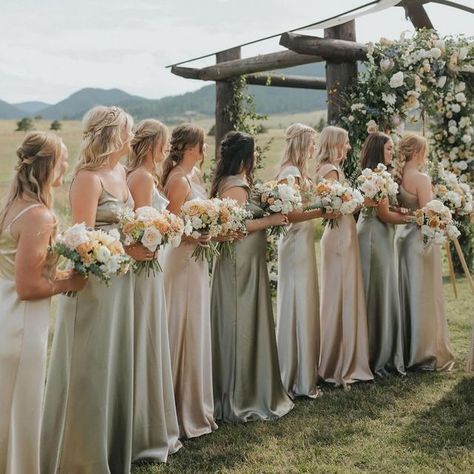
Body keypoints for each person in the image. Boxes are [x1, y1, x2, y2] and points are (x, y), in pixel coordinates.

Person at [41, 106, 150, 473]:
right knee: (91, 367)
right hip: (95, 286)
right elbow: (82, 242)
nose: (131, 137)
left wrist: (146, 236)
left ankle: (112, 447)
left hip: (122, 282)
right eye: (127, 131)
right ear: (111, 135)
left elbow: (126, 222)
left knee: (115, 360)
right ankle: (82, 457)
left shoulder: (121, 171)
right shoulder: (88, 179)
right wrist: (127, 249)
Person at [0, 132, 85, 474]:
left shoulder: (10, 205)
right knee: (21, 409)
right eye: (64, 157)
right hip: (21, 323)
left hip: (6, 315)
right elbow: (28, 286)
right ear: (48, 164)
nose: (67, 163)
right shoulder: (39, 216)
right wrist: (71, 281)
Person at [210, 130, 294, 422]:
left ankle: (253, 386)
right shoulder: (234, 186)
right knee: (240, 320)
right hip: (239, 264)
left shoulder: (239, 182)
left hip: (250, 262)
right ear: (246, 156)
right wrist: (271, 219)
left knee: (250, 317)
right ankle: (240, 396)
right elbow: (233, 229)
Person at [126, 118, 181, 461]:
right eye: (164, 143)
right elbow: (140, 227)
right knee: (145, 339)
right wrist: (169, 229)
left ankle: (152, 421)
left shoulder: (146, 176)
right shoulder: (142, 177)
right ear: (151, 145)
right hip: (144, 266)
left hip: (153, 263)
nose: (168, 149)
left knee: (151, 338)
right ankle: (143, 427)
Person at [161, 124, 217, 438]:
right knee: (180, 326)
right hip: (181, 259)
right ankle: (176, 409)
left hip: (197, 259)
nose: (205, 147)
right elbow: (171, 227)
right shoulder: (178, 180)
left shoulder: (195, 177)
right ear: (191, 147)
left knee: (194, 326)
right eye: (202, 143)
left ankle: (195, 403)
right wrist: (197, 233)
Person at [315, 126, 373, 389]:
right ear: (335, 144)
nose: (349, 147)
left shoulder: (330, 169)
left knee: (342, 293)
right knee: (340, 295)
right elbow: (332, 210)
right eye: (346, 142)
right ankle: (339, 364)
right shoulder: (330, 171)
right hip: (339, 236)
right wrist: (363, 200)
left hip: (343, 235)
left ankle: (340, 359)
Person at [393, 133, 454, 371]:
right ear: (418, 153)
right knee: (425, 294)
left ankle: (408, 349)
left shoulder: (397, 177)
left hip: (403, 239)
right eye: (425, 152)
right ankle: (425, 352)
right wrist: (445, 216)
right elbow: (429, 215)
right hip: (421, 240)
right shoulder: (421, 178)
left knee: (407, 292)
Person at [275, 123, 324, 398]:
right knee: (297, 302)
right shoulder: (290, 173)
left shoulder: (299, 172)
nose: (315, 148)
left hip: (303, 244)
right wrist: (322, 210)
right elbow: (291, 215)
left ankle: (305, 373)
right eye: (312, 143)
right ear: (302, 144)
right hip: (294, 244)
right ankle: (295, 377)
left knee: (304, 302)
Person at [357, 132, 409, 376]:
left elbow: (387, 208)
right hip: (373, 237)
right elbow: (383, 214)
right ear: (379, 150)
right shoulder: (376, 176)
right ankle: (373, 354)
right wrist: (413, 218)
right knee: (375, 290)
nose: (392, 153)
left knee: (383, 288)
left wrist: (401, 210)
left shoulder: (380, 175)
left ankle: (381, 350)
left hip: (381, 235)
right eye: (389, 149)